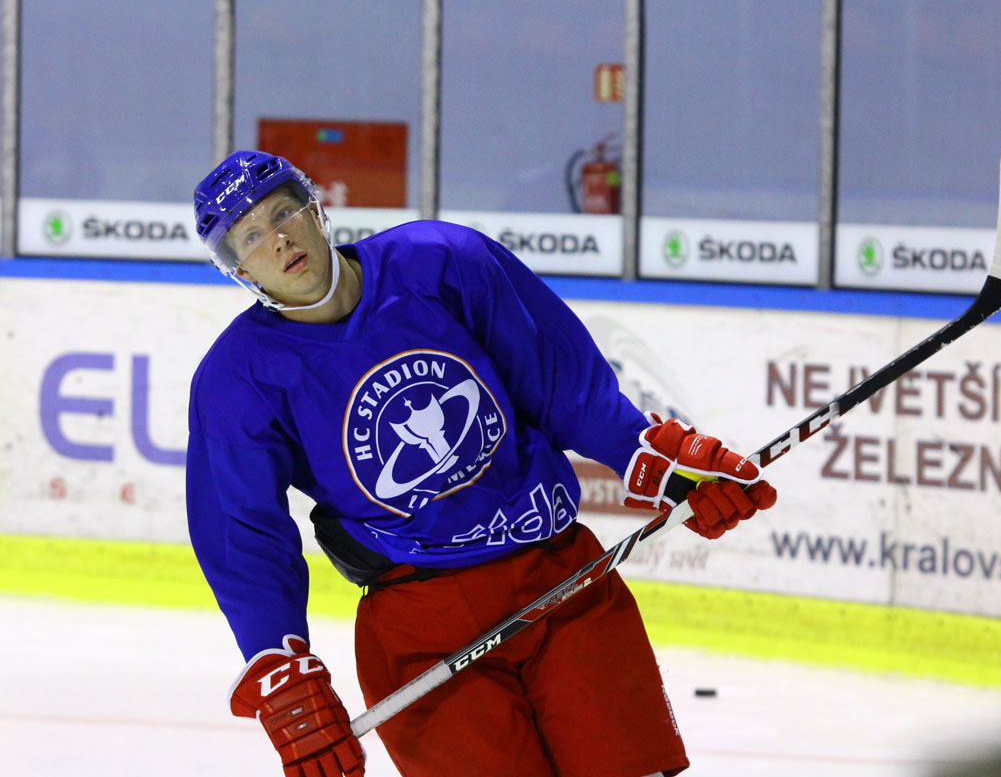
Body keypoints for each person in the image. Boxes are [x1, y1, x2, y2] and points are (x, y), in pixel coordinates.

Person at [187, 150, 777, 777]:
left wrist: (647, 455)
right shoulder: (236, 379)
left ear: (315, 209)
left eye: (283, 213)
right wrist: (278, 660)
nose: (278, 239)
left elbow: (560, 384)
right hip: (420, 625)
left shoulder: (441, 262)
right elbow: (243, 532)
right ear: (238, 270)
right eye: (251, 236)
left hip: (559, 582)